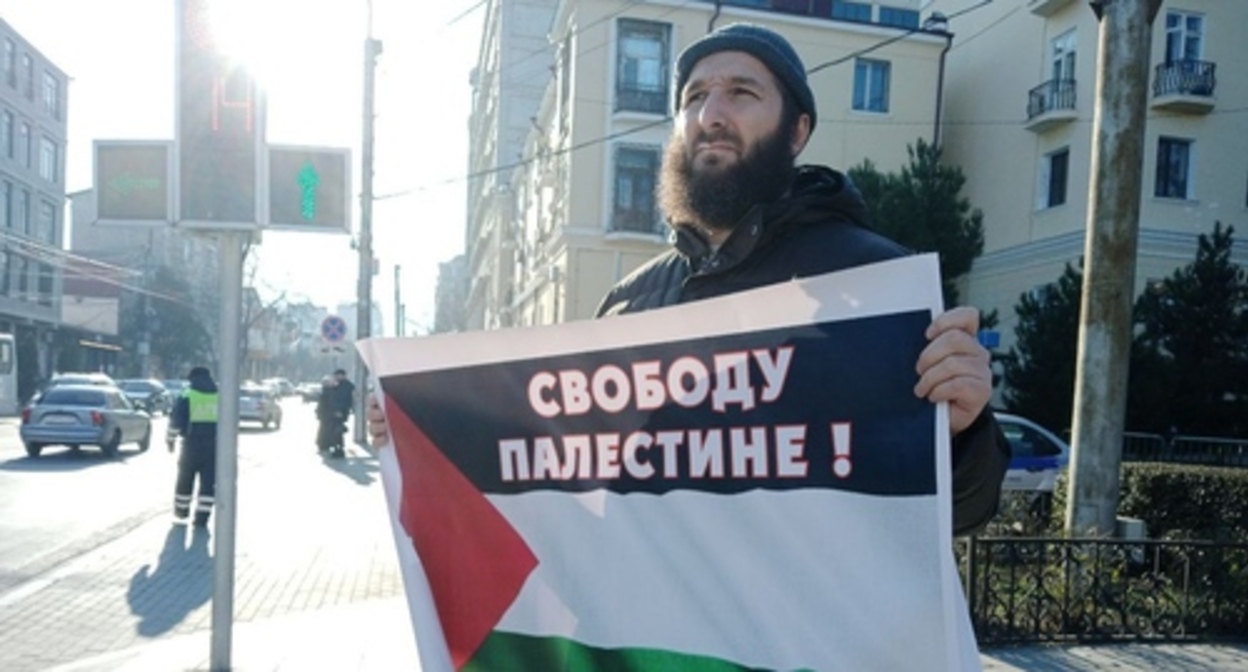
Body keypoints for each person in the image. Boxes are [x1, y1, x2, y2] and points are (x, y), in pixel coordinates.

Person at [368, 23, 1009, 536]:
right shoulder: (629, 304)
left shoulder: (872, 284)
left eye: (741, 92)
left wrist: (966, 428)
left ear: (799, 130)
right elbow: (563, 472)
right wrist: (421, 425)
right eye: (694, 97)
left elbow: (958, 513)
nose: (711, 114)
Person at [168, 366, 219, 527]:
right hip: (214, 445)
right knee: (208, 482)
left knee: (185, 478)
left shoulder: (187, 394)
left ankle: (182, 511)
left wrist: (170, 439)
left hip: (191, 444)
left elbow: (176, 420)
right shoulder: (219, 395)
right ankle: (202, 517)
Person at [316, 368, 355, 458]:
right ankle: (333, 447)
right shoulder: (337, 387)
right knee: (332, 430)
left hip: (337, 412)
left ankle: (337, 448)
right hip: (332, 413)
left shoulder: (345, 387)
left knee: (336, 431)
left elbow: (343, 401)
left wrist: (339, 411)